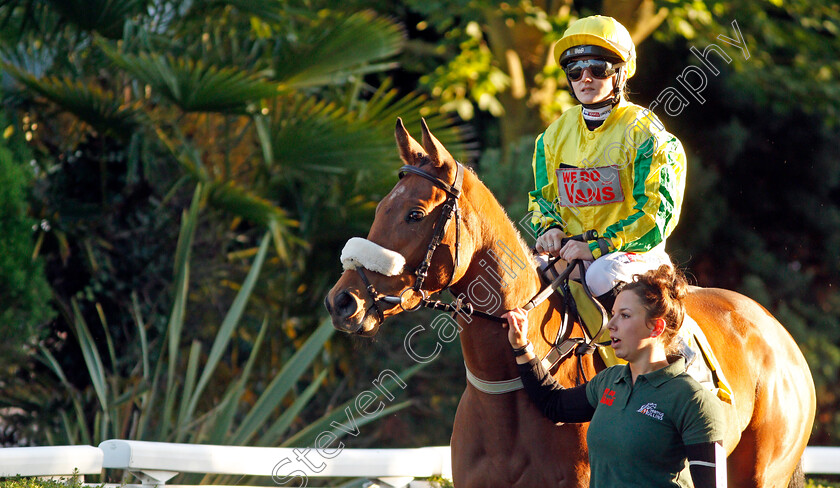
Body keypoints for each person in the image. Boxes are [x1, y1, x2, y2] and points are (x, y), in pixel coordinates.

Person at [502, 265, 726, 488]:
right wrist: (522, 348)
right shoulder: (608, 380)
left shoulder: (694, 400)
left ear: (656, 327)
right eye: (613, 314)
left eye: (625, 315)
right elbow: (553, 404)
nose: (611, 324)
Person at [528, 15, 687, 309]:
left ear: (621, 73)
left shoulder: (647, 134)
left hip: (634, 254)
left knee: (601, 274)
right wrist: (549, 228)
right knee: (530, 271)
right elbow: (543, 199)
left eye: (598, 68)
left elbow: (655, 218)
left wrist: (597, 247)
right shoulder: (552, 136)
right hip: (574, 251)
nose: (585, 78)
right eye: (575, 70)